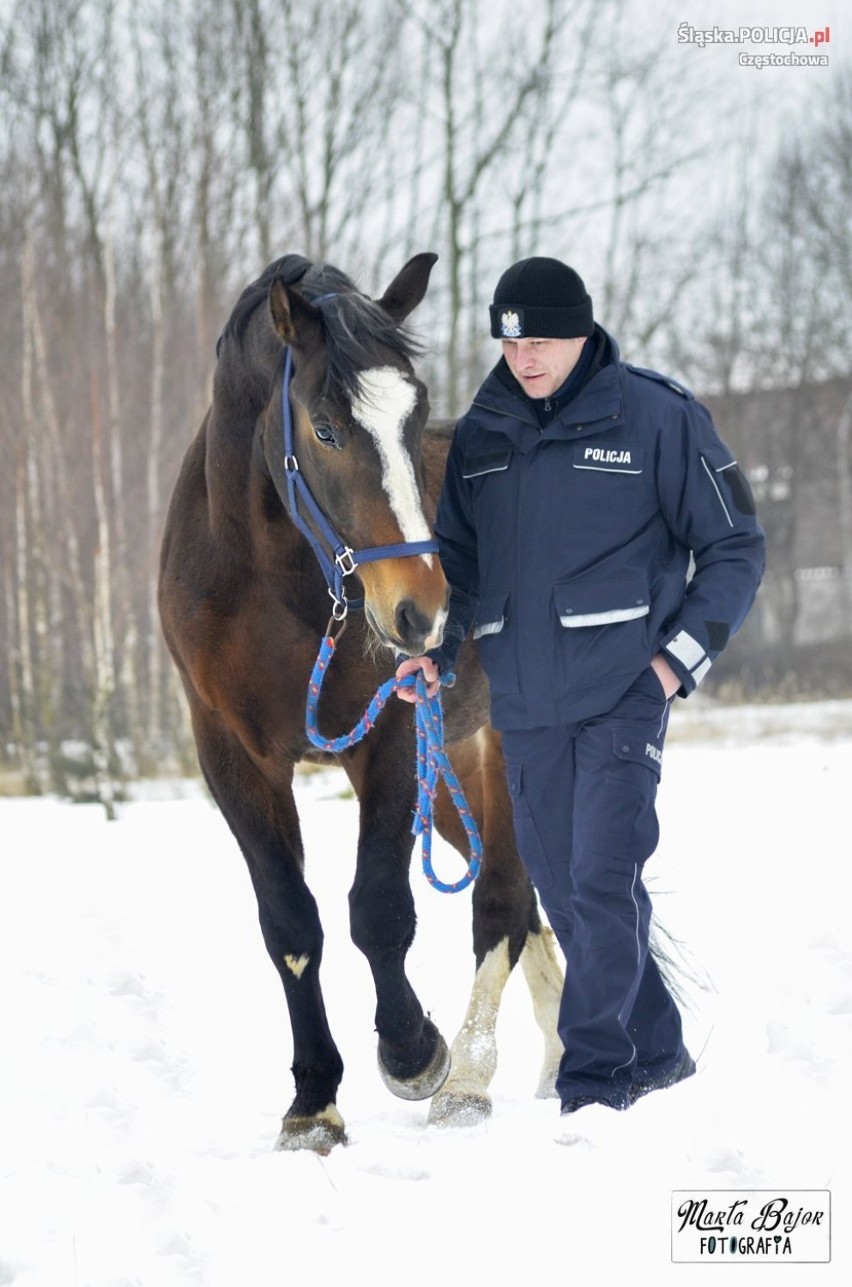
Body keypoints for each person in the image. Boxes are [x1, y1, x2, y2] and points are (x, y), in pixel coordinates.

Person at [396, 257, 766, 1115]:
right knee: (564, 890)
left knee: (603, 876)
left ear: (583, 332)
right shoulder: (483, 436)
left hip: (621, 694)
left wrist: (676, 661)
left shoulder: (656, 415)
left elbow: (736, 546)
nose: (524, 357)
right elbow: (465, 574)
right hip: (524, 706)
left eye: (543, 340)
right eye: (511, 339)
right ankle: (661, 1056)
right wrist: (439, 657)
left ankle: (593, 1089)